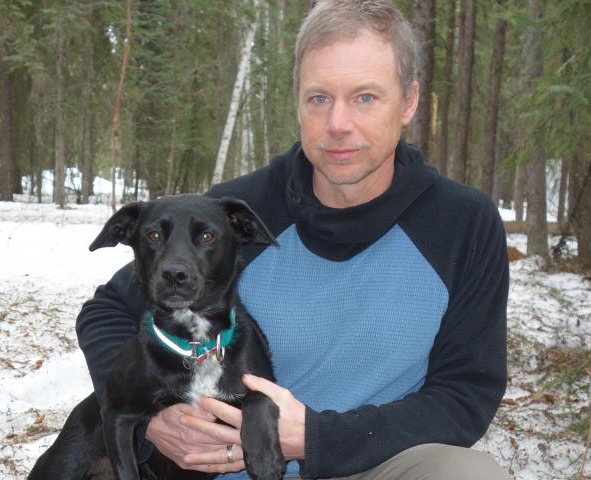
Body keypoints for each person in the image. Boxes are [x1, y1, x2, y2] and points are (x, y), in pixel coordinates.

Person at [75, 1, 510, 478]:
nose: (338, 124)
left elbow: (466, 394)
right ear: (297, 102)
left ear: (409, 102)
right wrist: (153, 422)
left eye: (365, 97)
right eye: (319, 98)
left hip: (378, 462)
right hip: (234, 469)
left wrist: (318, 437)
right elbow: (107, 312)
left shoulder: (461, 223)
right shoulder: (236, 215)